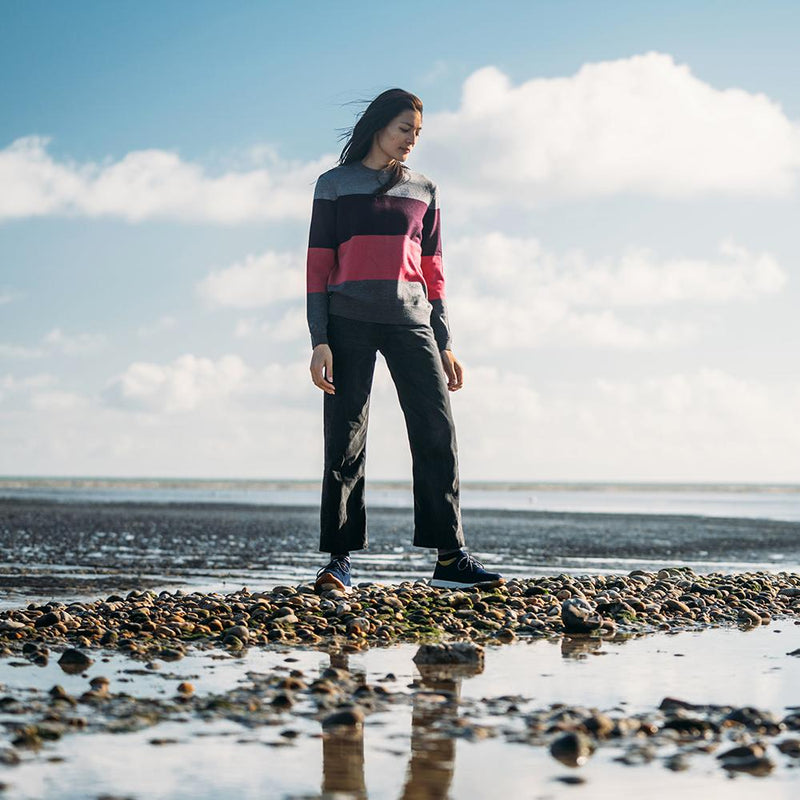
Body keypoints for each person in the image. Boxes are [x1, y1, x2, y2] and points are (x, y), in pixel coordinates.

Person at [306, 88, 503, 593]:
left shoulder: (424, 190)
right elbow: (318, 266)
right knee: (346, 437)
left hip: (412, 321)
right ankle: (340, 561)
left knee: (437, 431)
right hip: (348, 320)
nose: (411, 141)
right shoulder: (334, 185)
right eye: (403, 130)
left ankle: (450, 558)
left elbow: (433, 273)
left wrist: (445, 341)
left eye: (417, 133)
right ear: (378, 126)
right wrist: (319, 338)